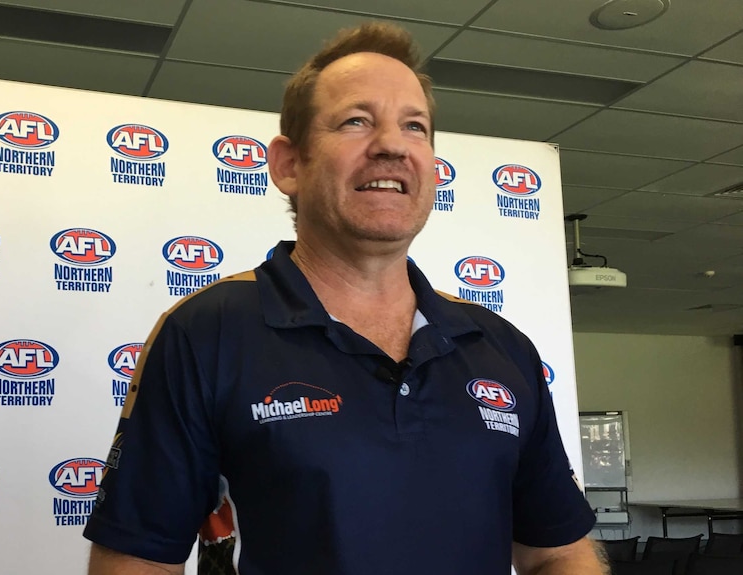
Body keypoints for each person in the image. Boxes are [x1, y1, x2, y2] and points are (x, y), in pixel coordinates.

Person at [84, 21, 608, 575]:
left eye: (415, 126)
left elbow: (558, 553)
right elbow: (136, 561)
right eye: (356, 121)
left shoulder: (500, 347)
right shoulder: (207, 332)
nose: (390, 145)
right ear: (289, 164)